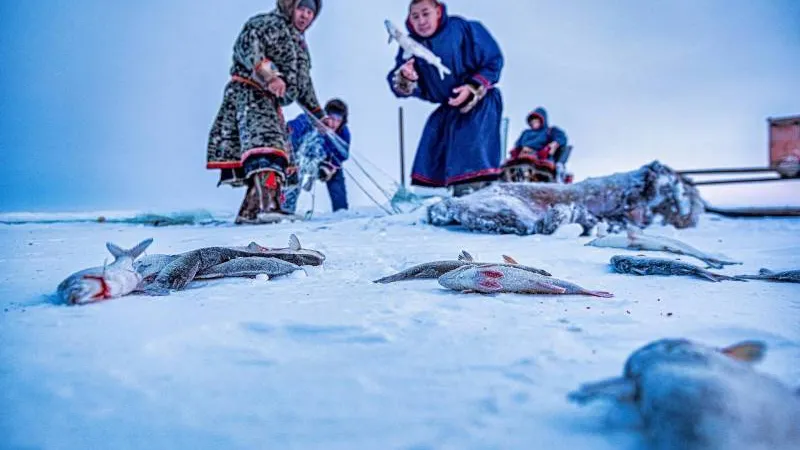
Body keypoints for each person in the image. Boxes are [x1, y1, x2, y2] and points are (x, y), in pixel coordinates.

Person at [206, 0, 327, 224]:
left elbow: (304, 85)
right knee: (268, 148)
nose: (306, 16)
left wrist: (319, 116)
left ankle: (249, 212)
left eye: (311, 12)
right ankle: (269, 206)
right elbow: (248, 46)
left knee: (278, 152)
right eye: (302, 8)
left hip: (269, 103)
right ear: (290, 6)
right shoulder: (265, 24)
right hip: (249, 93)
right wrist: (269, 76)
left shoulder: (299, 45)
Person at [387, 0, 504, 197]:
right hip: (448, 106)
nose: (421, 20)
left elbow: (493, 60)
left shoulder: (464, 29)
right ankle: (434, 199)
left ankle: (477, 197)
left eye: (426, 13)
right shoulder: (410, 46)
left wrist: (473, 86)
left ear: (438, 12)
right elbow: (401, 85)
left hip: (479, 102)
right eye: (415, 16)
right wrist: (406, 78)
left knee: (471, 149)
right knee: (432, 150)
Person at [284, 99, 351, 213]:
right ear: (325, 116)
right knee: (293, 179)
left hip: (324, 162)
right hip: (301, 159)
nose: (334, 123)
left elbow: (341, 155)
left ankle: (341, 211)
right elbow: (292, 129)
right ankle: (285, 209)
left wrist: (329, 168)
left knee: (336, 178)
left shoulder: (343, 134)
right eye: (332, 118)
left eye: (338, 120)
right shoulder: (309, 120)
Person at [510, 107, 570, 176]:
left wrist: (555, 143)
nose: (533, 123)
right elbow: (518, 143)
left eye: (536, 120)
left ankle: (557, 173)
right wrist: (518, 149)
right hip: (523, 156)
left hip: (541, 157)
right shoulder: (526, 133)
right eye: (532, 121)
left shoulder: (549, 131)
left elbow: (562, 137)